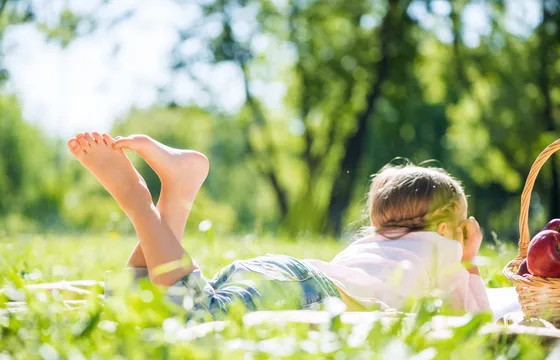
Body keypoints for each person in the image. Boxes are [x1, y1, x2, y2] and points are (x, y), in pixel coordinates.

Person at [65, 132, 490, 318]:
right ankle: (139, 202)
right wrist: (468, 261)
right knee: (198, 317)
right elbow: (472, 321)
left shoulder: (372, 243)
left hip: (283, 272)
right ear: (446, 229)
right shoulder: (445, 252)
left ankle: (175, 196)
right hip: (307, 292)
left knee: (152, 308)